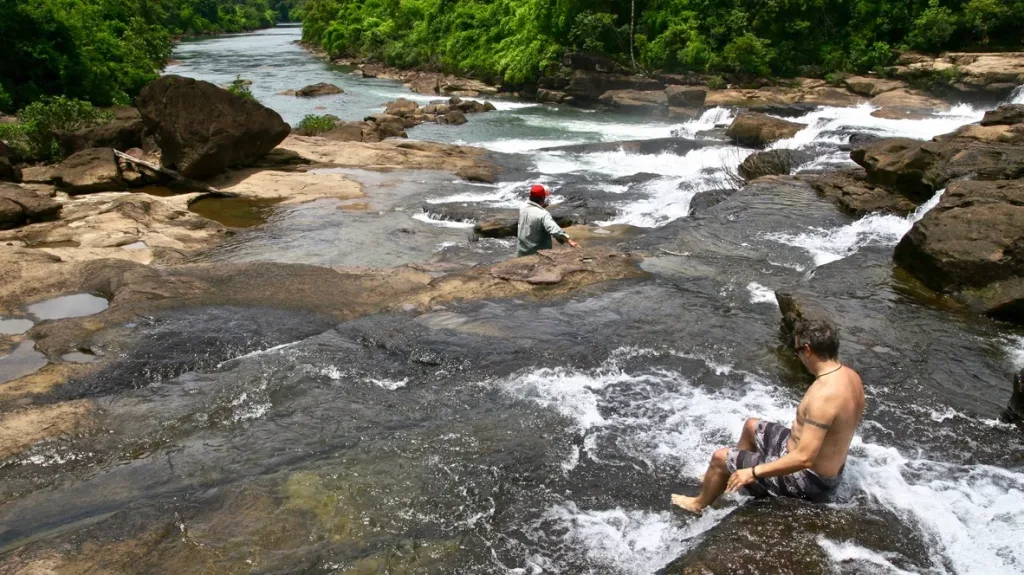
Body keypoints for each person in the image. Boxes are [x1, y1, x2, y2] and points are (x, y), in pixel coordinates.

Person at [671, 319, 865, 513]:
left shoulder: (824, 395)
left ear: (807, 350)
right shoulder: (849, 376)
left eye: (796, 350)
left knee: (720, 457)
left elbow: (804, 458)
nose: (797, 356)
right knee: (751, 426)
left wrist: (753, 472)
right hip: (813, 462)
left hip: (808, 480)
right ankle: (729, 482)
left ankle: (698, 504)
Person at [517, 184, 579, 257]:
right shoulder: (544, 214)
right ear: (543, 198)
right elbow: (554, 230)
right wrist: (569, 241)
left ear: (530, 196)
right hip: (536, 253)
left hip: (521, 252)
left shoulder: (523, 207)